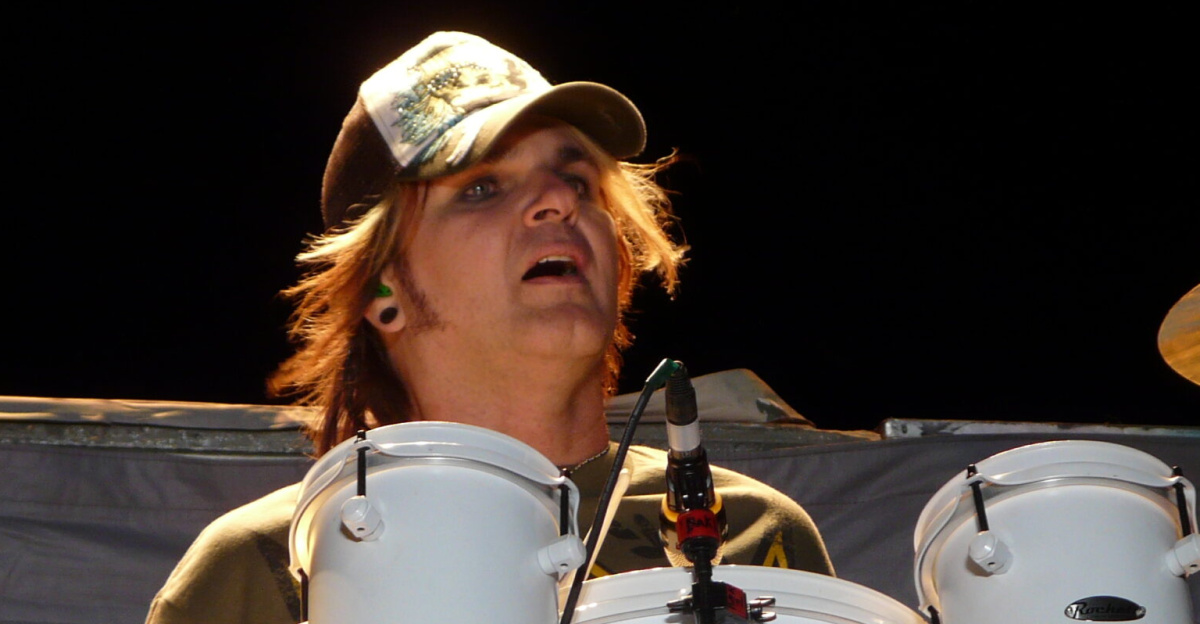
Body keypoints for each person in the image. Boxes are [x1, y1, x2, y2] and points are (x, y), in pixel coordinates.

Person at [145, 31, 833, 624]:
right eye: (482, 188)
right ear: (381, 290)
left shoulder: (754, 532)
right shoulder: (268, 564)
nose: (558, 200)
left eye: (580, 181)